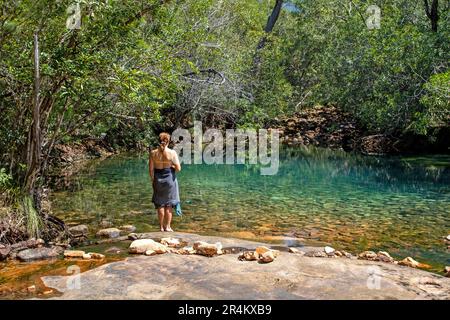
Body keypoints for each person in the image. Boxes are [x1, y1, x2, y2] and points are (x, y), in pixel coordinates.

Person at [149, 132, 181, 232]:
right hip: (169, 180)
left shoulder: (153, 153)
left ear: (159, 141)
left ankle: (161, 227)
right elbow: (178, 168)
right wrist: (171, 166)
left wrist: (153, 180)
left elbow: (151, 169)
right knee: (169, 205)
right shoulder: (172, 153)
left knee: (160, 204)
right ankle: (168, 227)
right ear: (168, 141)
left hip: (158, 179)